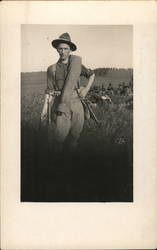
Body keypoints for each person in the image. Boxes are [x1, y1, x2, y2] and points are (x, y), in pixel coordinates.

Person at [41, 33, 95, 153]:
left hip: (76, 103)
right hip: (61, 104)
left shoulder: (77, 65)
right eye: (60, 48)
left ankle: (70, 164)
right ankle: (57, 165)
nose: (63, 51)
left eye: (66, 49)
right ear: (57, 50)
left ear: (70, 50)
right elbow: (49, 92)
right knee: (59, 137)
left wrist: (86, 89)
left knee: (75, 136)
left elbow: (92, 75)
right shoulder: (52, 69)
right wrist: (44, 111)